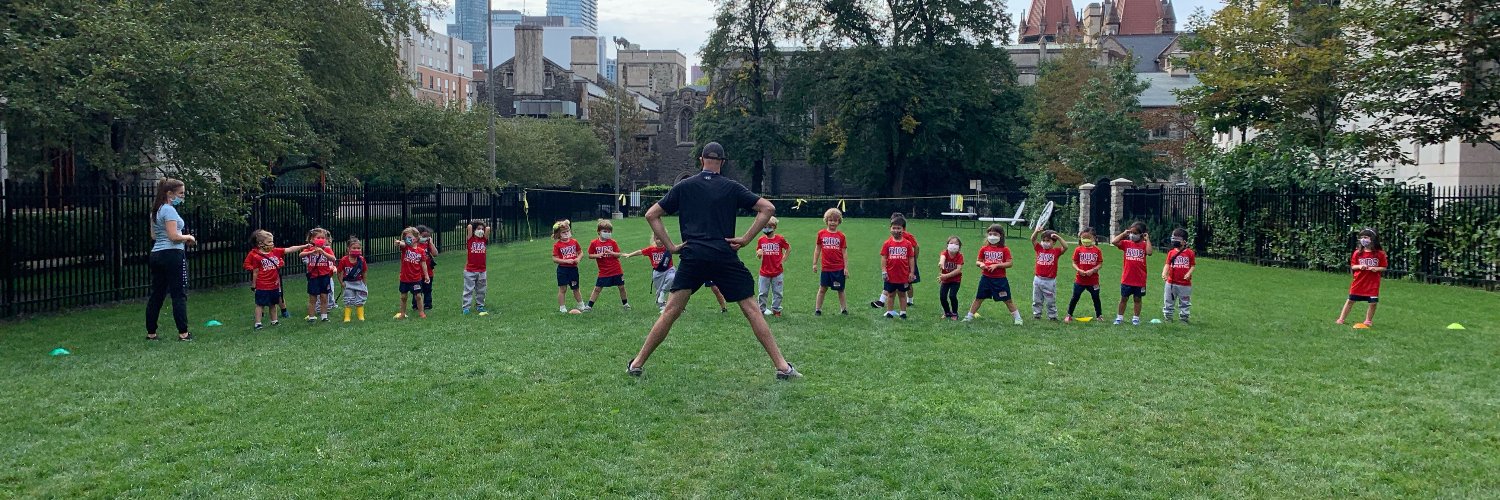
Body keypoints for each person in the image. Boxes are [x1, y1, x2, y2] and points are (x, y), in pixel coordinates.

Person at [626, 141, 800, 380]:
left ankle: (636, 364)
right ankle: (782, 367)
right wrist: (746, 239)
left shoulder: (684, 186)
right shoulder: (731, 187)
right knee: (752, 310)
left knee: (671, 311)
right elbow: (767, 208)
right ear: (723, 163)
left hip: (693, 256)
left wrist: (671, 246)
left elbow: (651, 214)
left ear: (701, 160)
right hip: (723, 255)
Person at [145, 178, 196, 341]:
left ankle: (151, 333)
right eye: (181, 193)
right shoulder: (169, 210)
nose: (183, 196)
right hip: (172, 255)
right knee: (178, 294)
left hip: (156, 254)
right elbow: (173, 237)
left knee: (157, 294)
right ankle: (183, 333)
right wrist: (189, 237)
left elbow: (154, 236)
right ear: (169, 193)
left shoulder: (156, 210)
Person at [244, 230, 309, 330]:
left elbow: (290, 249)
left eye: (272, 241)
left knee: (273, 304)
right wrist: (254, 285)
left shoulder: (275, 252)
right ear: (260, 244)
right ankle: (258, 323)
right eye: (269, 241)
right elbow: (255, 272)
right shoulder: (256, 256)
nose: (272, 243)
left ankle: (274, 321)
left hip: (274, 284)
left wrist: (304, 246)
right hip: (262, 285)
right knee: (260, 305)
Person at [964, 224, 1022, 324]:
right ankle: (969, 317)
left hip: (1000, 280)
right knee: (979, 298)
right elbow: (978, 261)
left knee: (1007, 300)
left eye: (995, 234)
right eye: (990, 234)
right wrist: (981, 264)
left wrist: (997, 265)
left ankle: (1018, 318)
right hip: (986, 278)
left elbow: (1009, 263)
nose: (992, 236)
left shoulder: (1005, 249)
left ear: (1001, 236)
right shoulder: (984, 248)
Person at [1336, 228, 1387, 329]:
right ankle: (1341, 319)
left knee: (1373, 303)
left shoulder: (1380, 254)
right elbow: (1353, 266)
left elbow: (1384, 267)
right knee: (1350, 300)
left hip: (1372, 283)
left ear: (1373, 239)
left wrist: (1376, 269)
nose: (1363, 239)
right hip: (1359, 282)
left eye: (1366, 237)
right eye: (1362, 237)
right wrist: (1360, 266)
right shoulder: (1357, 253)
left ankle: (1368, 320)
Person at [871, 213, 919, 308]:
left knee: (908, 283)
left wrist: (914, 259)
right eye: (893, 226)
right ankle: (881, 301)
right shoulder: (891, 238)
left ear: (903, 227)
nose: (895, 230)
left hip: (907, 263)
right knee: (890, 281)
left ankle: (910, 300)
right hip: (895, 264)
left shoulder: (908, 236)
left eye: (898, 227)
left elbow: (916, 247)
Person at [1111, 221, 1154, 326]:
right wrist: (1124, 234)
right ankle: (1119, 317)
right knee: (1123, 298)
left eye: (1135, 233)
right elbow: (1114, 241)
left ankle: (1136, 318)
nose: (1132, 235)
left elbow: (1149, 252)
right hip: (1127, 278)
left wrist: (1147, 239)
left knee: (1137, 299)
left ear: (1141, 234)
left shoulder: (1144, 245)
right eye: (1131, 232)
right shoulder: (1127, 243)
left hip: (1139, 279)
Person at [623, 234, 676, 312]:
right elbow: (640, 252)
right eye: (657, 239)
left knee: (672, 277)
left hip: (669, 269)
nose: (660, 241)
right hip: (657, 272)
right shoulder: (651, 249)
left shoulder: (668, 248)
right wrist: (629, 255)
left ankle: (663, 292)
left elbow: (677, 249)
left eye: (661, 238)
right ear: (654, 239)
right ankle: (662, 306)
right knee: (658, 290)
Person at [585, 219, 629, 311]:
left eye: (609, 232)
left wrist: (611, 252)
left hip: (616, 270)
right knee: (597, 288)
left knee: (621, 287)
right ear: (598, 232)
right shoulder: (594, 243)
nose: (607, 233)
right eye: (605, 231)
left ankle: (625, 304)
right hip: (604, 271)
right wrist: (598, 255)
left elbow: (618, 255)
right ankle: (589, 306)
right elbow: (590, 255)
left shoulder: (612, 242)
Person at [813, 208, 850, 316]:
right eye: (830, 220)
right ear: (826, 221)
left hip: (838, 268)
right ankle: (818, 309)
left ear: (839, 221)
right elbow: (817, 249)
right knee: (822, 288)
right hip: (826, 268)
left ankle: (843, 309)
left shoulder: (841, 236)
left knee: (840, 289)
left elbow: (844, 252)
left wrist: (846, 267)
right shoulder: (821, 234)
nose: (832, 222)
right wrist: (814, 263)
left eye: (835, 220)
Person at [880, 215, 916, 319]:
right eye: (894, 228)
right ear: (890, 229)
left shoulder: (907, 244)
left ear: (903, 229)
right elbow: (884, 258)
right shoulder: (887, 243)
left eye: (899, 228)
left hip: (903, 275)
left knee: (902, 294)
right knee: (890, 294)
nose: (896, 230)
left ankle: (903, 312)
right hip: (890, 275)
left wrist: (911, 272)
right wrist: (884, 271)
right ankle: (889, 312)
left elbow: (911, 258)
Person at [1065, 228, 1104, 323]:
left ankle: (1099, 315)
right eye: (1083, 238)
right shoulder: (1078, 249)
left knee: (1096, 298)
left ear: (1094, 238)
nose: (1086, 240)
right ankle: (1069, 315)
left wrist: (1093, 270)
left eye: (1088, 238)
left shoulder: (1097, 250)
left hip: (1093, 280)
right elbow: (1074, 263)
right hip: (1080, 280)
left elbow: (1100, 264)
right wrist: (1079, 270)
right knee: (1075, 297)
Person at [394, 227, 431, 319]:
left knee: (418, 296)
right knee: (403, 296)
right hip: (404, 278)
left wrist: (426, 275)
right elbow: (402, 244)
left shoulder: (421, 251)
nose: (408, 239)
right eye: (406, 237)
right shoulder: (406, 248)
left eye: (410, 237)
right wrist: (399, 242)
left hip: (416, 278)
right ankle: (402, 313)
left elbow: (423, 264)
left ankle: (421, 312)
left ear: (416, 237)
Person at [301, 228, 338, 323]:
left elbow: (333, 258)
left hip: (324, 276)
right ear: (312, 239)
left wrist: (323, 252)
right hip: (313, 277)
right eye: (318, 238)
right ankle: (311, 317)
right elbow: (301, 255)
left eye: (323, 238)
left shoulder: (327, 249)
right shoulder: (309, 248)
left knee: (324, 297)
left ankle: (324, 316)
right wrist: (310, 252)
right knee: (312, 298)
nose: (321, 240)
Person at [755, 217, 790, 316]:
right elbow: (758, 253)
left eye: (769, 226)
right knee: (762, 292)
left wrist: (784, 258)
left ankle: (776, 310)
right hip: (764, 272)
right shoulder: (761, 240)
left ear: (774, 227)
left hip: (777, 272)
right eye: (764, 226)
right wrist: (759, 254)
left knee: (778, 292)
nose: (766, 229)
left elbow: (788, 248)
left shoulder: (780, 239)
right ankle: (762, 310)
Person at [1030, 228, 1067, 321]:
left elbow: (1065, 247)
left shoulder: (1056, 251)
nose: (1045, 243)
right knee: (1037, 299)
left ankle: (1052, 316)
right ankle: (1037, 314)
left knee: (1050, 300)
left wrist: (1058, 237)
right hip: (1038, 279)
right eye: (1043, 240)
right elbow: (1033, 239)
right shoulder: (1039, 249)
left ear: (1053, 242)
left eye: (1048, 241)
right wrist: (1036, 231)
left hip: (1049, 281)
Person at [1161, 228, 1196, 323]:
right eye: (1173, 238)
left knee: (1185, 302)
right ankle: (1168, 317)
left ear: (1184, 241)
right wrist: (1164, 273)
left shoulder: (1190, 253)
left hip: (1185, 284)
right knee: (1168, 300)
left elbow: (1192, 265)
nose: (1174, 241)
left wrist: (1188, 273)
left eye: (1177, 239)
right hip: (1171, 283)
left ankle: (1184, 318)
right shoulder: (1171, 253)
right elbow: (1167, 264)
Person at [552, 220, 585, 313]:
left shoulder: (574, 242)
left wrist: (578, 259)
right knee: (563, 288)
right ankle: (562, 307)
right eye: (563, 232)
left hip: (573, 269)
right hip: (563, 270)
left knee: (575, 288)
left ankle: (581, 305)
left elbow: (581, 252)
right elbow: (554, 258)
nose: (566, 233)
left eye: (568, 231)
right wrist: (565, 261)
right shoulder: (557, 245)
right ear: (559, 234)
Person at [462, 221, 489, 316]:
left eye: (482, 229)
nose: (481, 231)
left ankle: (480, 305)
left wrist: (483, 228)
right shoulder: (470, 240)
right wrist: (474, 226)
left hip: (482, 270)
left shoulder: (484, 240)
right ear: (474, 230)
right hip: (470, 270)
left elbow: (488, 229)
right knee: (468, 290)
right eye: (478, 229)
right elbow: (469, 226)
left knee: (481, 290)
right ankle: (466, 307)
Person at [339, 236, 368, 323]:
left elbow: (364, 271)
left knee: (360, 299)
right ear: (348, 249)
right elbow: (340, 272)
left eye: (358, 248)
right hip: (348, 283)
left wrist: (364, 283)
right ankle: (347, 317)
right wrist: (341, 282)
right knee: (348, 299)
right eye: (354, 248)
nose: (356, 250)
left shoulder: (361, 260)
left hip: (359, 282)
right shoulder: (344, 260)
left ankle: (361, 316)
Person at [410, 225, 439, 311]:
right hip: (417, 272)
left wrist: (431, 243)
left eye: (427, 236)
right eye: (424, 236)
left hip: (428, 272)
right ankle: (416, 305)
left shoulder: (427, 244)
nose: (425, 238)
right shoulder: (414, 245)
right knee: (417, 290)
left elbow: (435, 254)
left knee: (428, 289)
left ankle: (427, 304)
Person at [937, 236, 964, 320]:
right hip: (945, 281)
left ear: (959, 247)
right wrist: (941, 263)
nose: (953, 245)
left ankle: (955, 313)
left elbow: (958, 270)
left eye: (956, 244)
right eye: (951, 243)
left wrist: (946, 276)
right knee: (942, 297)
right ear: (947, 245)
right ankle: (947, 312)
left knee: (952, 296)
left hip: (955, 280)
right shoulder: (944, 253)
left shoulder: (959, 256)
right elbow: (942, 259)